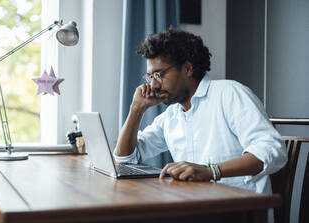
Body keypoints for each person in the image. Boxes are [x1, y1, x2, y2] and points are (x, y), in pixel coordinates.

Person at [114, 28, 287, 195]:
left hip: (241, 214)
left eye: (159, 74)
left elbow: (272, 149)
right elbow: (126, 159)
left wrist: (211, 171)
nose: (153, 85)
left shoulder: (229, 93)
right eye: (150, 77)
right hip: (194, 208)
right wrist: (136, 110)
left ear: (187, 69)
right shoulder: (172, 115)